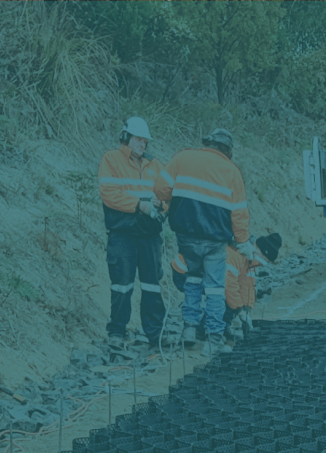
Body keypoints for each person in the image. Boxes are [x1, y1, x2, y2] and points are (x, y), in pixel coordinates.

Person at [159, 129, 251, 356]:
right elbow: (239, 213)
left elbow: (160, 189)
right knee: (215, 289)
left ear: (207, 144)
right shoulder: (231, 171)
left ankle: (189, 329)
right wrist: (243, 242)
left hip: (186, 237)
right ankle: (213, 339)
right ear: (228, 151)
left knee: (192, 280)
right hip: (215, 241)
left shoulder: (183, 157)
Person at [97, 117, 168, 347]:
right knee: (121, 285)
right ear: (126, 137)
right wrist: (140, 205)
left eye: (145, 141)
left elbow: (168, 195)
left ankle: (155, 334)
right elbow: (109, 194)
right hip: (123, 232)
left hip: (149, 235)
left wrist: (161, 206)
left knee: (151, 285)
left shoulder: (155, 165)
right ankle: (117, 332)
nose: (142, 144)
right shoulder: (111, 160)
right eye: (138, 139)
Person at [222, 233, 283, 345]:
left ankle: (223, 328)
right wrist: (240, 311)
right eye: (264, 259)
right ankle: (209, 332)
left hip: (224, 283)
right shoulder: (235, 253)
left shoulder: (251, 260)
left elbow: (247, 286)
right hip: (202, 279)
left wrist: (246, 309)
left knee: (236, 302)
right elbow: (229, 286)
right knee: (226, 299)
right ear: (260, 250)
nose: (261, 264)